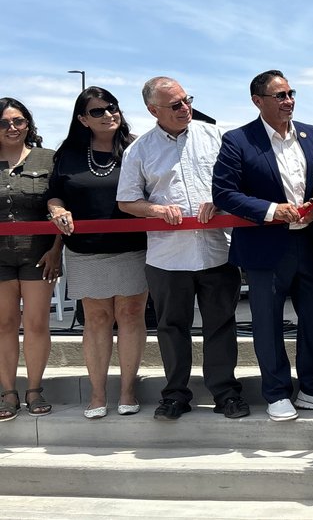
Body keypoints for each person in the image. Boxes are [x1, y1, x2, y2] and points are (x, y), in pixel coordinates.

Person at [212, 70, 313, 422]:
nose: (288, 101)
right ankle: (276, 393)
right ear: (258, 101)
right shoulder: (238, 140)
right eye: (279, 95)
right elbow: (224, 193)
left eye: (290, 93)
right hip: (265, 245)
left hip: (312, 241)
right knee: (267, 323)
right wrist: (271, 210)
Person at [117, 77, 247, 421]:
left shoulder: (217, 137)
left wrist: (220, 202)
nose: (185, 108)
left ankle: (226, 393)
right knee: (171, 328)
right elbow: (127, 201)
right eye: (175, 105)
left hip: (217, 250)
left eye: (186, 100)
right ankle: (175, 395)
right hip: (167, 256)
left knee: (221, 324)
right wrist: (155, 210)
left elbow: (237, 183)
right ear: (152, 110)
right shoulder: (139, 149)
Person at [46, 87, 149, 419]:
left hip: (133, 248)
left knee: (132, 316)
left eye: (112, 107)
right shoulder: (68, 153)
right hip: (86, 251)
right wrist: (57, 211)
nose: (108, 114)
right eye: (98, 111)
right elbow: (55, 195)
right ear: (82, 119)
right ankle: (97, 394)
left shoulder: (137, 147)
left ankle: (128, 391)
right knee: (97, 320)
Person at [0, 98, 62, 421]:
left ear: (28, 124)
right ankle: (8, 392)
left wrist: (56, 250)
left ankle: (34, 390)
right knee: (4, 325)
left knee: (37, 324)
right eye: (4, 123)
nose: (12, 128)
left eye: (19, 121)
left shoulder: (47, 158)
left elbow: (59, 203)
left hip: (40, 256)